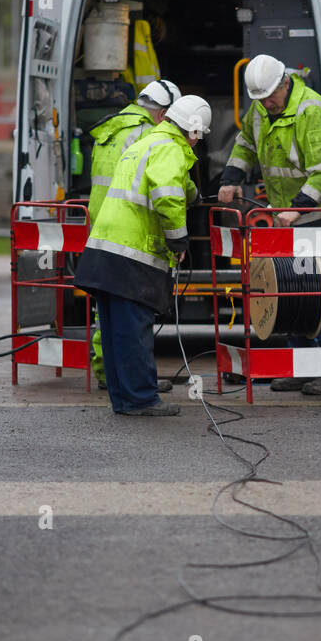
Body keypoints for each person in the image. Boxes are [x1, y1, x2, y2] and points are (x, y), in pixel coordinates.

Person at [218, 54, 321, 396]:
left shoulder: (312, 111)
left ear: (284, 83)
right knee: (292, 288)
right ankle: (302, 366)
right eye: (260, 99)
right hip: (291, 214)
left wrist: (297, 209)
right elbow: (246, 145)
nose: (266, 103)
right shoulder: (262, 109)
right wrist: (232, 178)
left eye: (270, 96)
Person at [74, 95, 211, 416]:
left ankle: (124, 398)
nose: (196, 144)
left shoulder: (146, 142)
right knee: (134, 330)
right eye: (198, 137)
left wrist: (193, 192)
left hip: (104, 249)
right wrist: (179, 241)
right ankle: (141, 399)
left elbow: (171, 184)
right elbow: (166, 194)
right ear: (192, 132)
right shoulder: (170, 149)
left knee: (113, 331)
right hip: (131, 253)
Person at [86, 79, 182, 389]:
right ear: (163, 112)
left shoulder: (112, 129)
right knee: (132, 314)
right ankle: (134, 383)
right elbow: (160, 181)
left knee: (109, 311)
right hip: (131, 227)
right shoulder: (147, 134)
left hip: (102, 222)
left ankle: (107, 372)